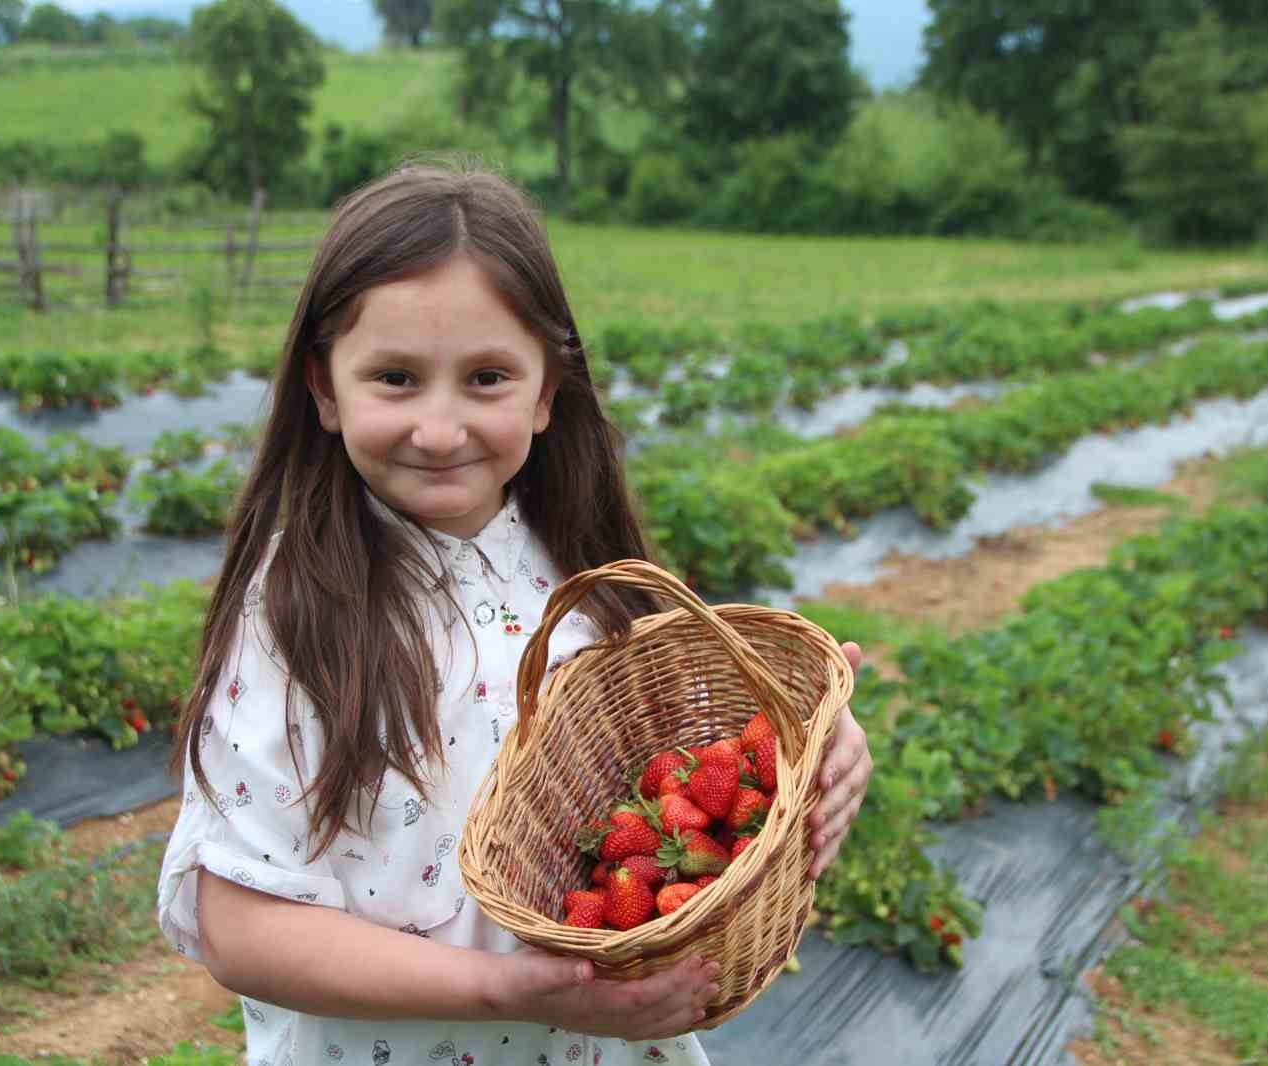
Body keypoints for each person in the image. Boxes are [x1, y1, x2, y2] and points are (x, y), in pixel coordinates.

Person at [156, 160, 875, 1066]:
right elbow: (241, 929)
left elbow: (675, 781)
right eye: (396, 378)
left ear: (545, 393)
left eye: (488, 377)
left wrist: (818, 757)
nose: (442, 428)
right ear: (325, 389)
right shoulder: (296, 617)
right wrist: (509, 989)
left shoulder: (581, 566)